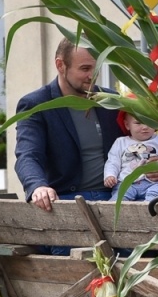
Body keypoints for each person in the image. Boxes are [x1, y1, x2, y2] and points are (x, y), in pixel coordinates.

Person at [14, 40, 119, 210]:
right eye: (85, 69)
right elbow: (28, 155)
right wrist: (37, 186)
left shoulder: (112, 101)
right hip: (65, 200)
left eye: (97, 68)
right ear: (60, 65)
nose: (92, 75)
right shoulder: (36, 104)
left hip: (116, 195)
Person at [104, 114, 158, 204]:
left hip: (154, 182)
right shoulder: (121, 142)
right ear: (127, 125)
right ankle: (114, 214)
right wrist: (110, 175)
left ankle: (152, 209)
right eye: (138, 123)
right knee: (119, 200)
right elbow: (113, 161)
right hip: (126, 182)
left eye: (149, 122)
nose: (145, 127)